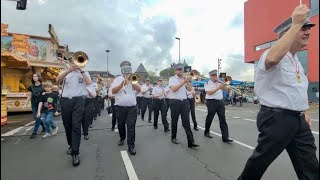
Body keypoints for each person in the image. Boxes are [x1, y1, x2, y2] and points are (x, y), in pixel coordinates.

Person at [238, 5, 319, 180]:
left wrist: (303, 111)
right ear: (286, 34)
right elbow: (272, 59)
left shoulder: (296, 61)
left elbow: (294, 90)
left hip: (298, 120)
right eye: (302, 28)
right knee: (259, 163)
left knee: (310, 166)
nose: (308, 32)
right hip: (276, 119)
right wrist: (295, 22)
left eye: (308, 28)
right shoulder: (271, 54)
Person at [56, 57, 92, 166]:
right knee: (68, 125)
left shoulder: (84, 73)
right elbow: (57, 80)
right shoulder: (66, 71)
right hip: (65, 101)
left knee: (76, 126)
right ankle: (71, 145)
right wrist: (69, 70)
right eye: (74, 61)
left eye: (79, 62)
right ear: (71, 62)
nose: (76, 63)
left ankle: (75, 152)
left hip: (79, 101)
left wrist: (81, 71)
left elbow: (89, 83)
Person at [110, 61, 141, 155]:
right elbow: (113, 91)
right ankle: (122, 137)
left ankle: (131, 146)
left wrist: (132, 82)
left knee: (131, 126)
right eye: (125, 69)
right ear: (122, 70)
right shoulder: (117, 79)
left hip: (132, 108)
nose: (127, 71)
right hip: (120, 108)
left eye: (128, 68)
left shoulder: (134, 78)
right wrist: (122, 84)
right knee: (121, 124)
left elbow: (139, 90)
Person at [168, 64, 199, 148]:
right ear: (175, 71)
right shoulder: (172, 79)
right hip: (175, 102)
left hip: (184, 102)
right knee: (174, 121)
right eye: (178, 70)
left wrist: (187, 81)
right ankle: (173, 137)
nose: (180, 71)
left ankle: (191, 141)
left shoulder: (184, 79)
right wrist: (183, 81)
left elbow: (189, 89)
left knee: (186, 122)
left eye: (181, 70)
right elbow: (174, 89)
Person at [204, 69, 233, 143]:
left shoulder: (220, 82)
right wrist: (218, 87)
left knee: (223, 119)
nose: (214, 77)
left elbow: (226, 90)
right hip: (211, 102)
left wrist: (227, 87)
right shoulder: (207, 83)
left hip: (220, 102)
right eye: (213, 76)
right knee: (210, 118)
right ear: (210, 76)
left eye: (215, 75)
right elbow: (209, 93)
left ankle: (225, 137)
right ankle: (206, 131)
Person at [25, 73, 46, 139]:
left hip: (41, 104)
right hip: (34, 104)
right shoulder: (31, 86)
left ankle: (34, 132)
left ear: (39, 77)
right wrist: (25, 104)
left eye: (36, 76)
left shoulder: (43, 86)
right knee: (35, 117)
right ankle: (44, 126)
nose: (34, 77)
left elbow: (46, 95)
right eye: (33, 76)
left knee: (37, 117)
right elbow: (30, 96)